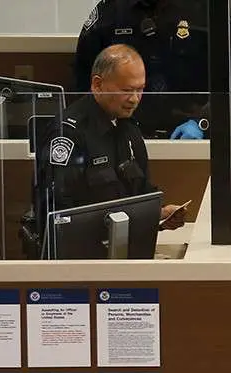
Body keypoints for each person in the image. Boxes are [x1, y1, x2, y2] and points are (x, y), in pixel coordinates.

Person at [26, 43, 186, 257]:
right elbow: (59, 215)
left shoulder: (128, 128)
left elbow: (142, 192)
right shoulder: (68, 134)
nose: (135, 99)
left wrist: (160, 215)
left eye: (140, 90)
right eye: (127, 90)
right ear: (98, 85)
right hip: (81, 260)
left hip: (126, 251)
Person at [74, 0, 231, 140]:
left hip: (195, 140)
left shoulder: (206, 7)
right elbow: (85, 80)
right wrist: (103, 126)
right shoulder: (111, 10)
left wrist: (203, 121)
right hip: (123, 136)